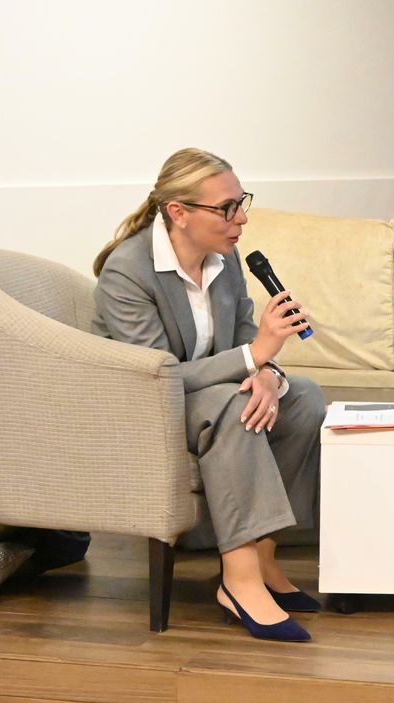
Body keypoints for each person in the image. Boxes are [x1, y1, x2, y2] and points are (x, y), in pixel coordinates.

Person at [92, 148, 326, 642]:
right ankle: (238, 579)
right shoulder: (127, 271)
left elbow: (243, 337)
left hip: (205, 393)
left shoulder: (226, 258)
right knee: (235, 407)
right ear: (179, 212)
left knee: (303, 397)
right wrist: (255, 356)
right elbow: (157, 373)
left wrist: (267, 373)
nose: (241, 218)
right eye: (226, 208)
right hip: (145, 405)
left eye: (242, 202)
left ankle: (264, 558)